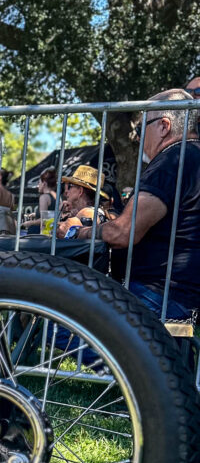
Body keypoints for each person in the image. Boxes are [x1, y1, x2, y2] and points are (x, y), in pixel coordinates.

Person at [71, 89, 200, 318]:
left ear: (164, 126)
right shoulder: (191, 156)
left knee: (58, 324)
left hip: (156, 296)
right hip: (179, 296)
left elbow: (123, 233)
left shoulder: (172, 159)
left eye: (141, 129)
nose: (138, 138)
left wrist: (75, 231)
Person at [55, 164, 113, 239]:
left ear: (80, 191)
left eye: (70, 186)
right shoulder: (94, 211)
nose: (66, 191)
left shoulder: (86, 213)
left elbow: (62, 234)